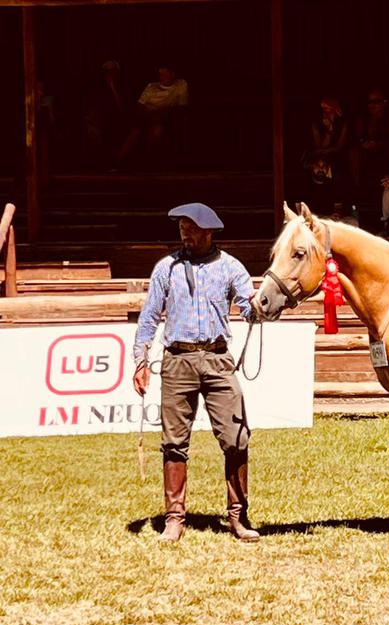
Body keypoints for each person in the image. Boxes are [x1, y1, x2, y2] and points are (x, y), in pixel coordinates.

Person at [132, 203, 260, 542]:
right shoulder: (166, 269)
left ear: (209, 231)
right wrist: (141, 360)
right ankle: (174, 518)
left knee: (236, 438)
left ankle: (238, 516)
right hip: (177, 361)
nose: (185, 235)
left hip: (218, 360)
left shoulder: (231, 268)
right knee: (174, 441)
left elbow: (250, 308)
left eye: (191, 228)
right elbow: (149, 317)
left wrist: (261, 307)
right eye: (182, 229)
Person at [116, 64, 189, 167]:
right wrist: (144, 115)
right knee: (135, 131)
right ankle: (119, 161)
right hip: (147, 115)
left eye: (164, 74)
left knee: (157, 130)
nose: (161, 77)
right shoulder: (151, 86)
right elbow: (140, 105)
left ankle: (147, 159)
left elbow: (181, 107)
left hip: (164, 116)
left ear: (172, 74)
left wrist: (163, 113)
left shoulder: (180, 85)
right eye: (160, 75)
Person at [351, 89, 389, 214]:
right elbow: (358, 138)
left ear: (384, 103)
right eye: (370, 102)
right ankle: (356, 190)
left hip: (387, 151)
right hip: (367, 153)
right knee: (353, 153)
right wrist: (365, 143)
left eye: (376, 102)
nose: (372, 105)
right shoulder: (364, 119)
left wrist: (379, 144)